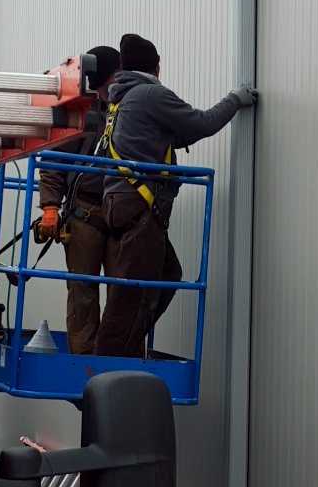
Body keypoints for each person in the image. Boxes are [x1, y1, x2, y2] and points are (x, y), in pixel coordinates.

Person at [94, 33, 257, 357]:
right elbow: (202, 123)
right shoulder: (150, 94)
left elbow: (170, 134)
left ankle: (122, 350)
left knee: (167, 275)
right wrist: (236, 99)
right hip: (139, 206)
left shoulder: (121, 97)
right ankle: (103, 370)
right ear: (156, 66)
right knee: (130, 295)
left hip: (121, 203)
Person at [36, 45, 120, 354]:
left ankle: (112, 357)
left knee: (122, 291)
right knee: (83, 292)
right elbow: (54, 162)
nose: (118, 81)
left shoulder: (128, 112)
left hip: (120, 214)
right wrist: (49, 207)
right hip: (84, 212)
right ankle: (84, 360)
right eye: (115, 75)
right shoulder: (81, 114)